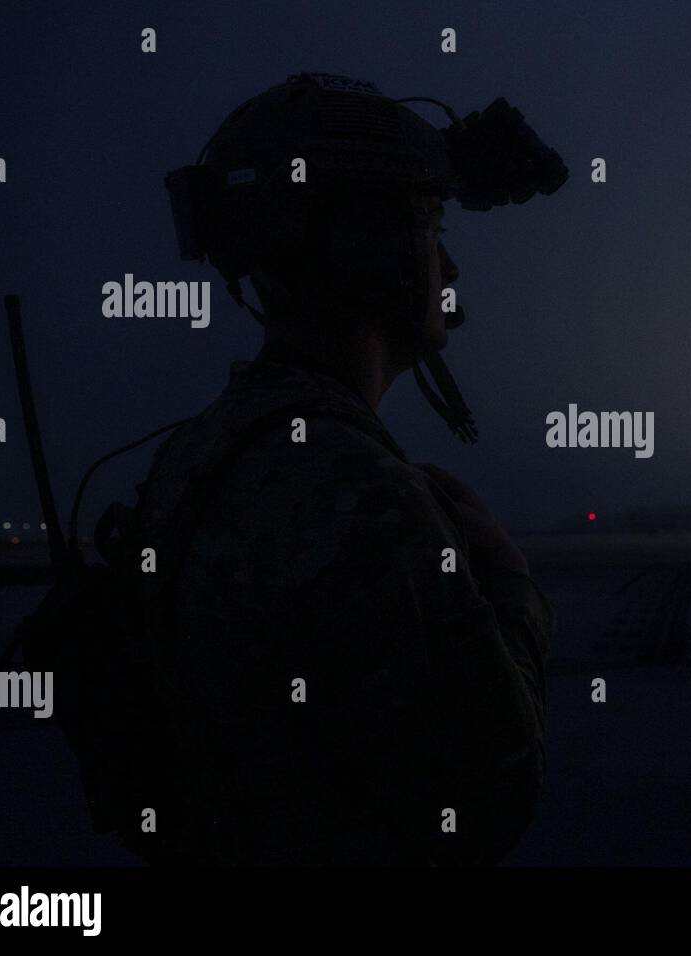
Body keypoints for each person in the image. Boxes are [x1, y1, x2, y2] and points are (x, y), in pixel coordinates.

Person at [126, 73, 554, 865]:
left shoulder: (202, 453)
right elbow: (488, 799)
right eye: (431, 227)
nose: (450, 269)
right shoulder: (358, 495)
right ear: (376, 248)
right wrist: (509, 585)